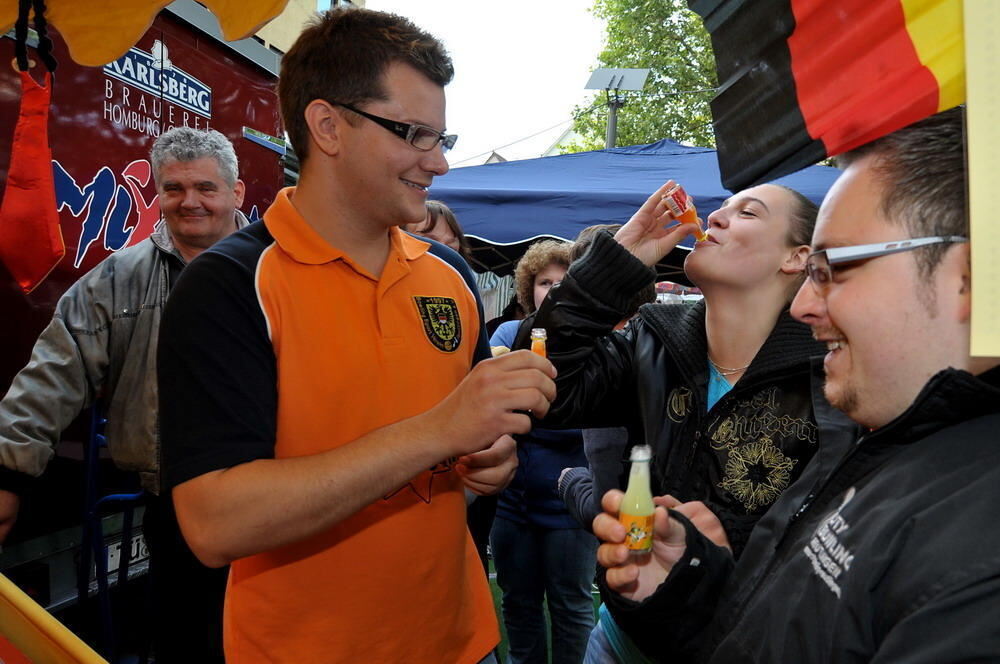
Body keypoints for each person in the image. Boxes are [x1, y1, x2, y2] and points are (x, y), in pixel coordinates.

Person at [157, 8, 555, 663]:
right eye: (414, 134)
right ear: (327, 126)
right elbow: (214, 522)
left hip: (462, 642)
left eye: (442, 137)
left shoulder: (450, 276)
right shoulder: (229, 284)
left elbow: (468, 442)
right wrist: (439, 432)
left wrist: (488, 459)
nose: (440, 162)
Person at [593, 106, 1000, 662]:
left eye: (832, 269)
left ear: (967, 278)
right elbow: (783, 630)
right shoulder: (886, 439)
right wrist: (693, 582)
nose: (803, 306)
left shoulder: (976, 556)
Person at [517, 179, 858, 663]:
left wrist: (711, 551)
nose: (714, 217)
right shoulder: (652, 337)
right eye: (721, 208)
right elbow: (546, 386)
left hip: (743, 648)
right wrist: (615, 263)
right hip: (620, 639)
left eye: (748, 213)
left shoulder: (834, 374)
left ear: (796, 257)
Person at [0, 126, 248, 661]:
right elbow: (54, 372)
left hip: (273, 499)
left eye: (206, 188)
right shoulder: (117, 279)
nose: (190, 202)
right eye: (174, 188)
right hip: (175, 504)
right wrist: (7, 471)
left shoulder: (280, 269)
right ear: (158, 193)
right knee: (188, 644)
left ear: (237, 192)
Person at [489, 239, 597, 664]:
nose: (553, 291)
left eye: (564, 282)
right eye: (544, 282)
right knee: (518, 602)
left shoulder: (598, 342)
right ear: (527, 288)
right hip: (512, 500)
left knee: (571, 606)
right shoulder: (508, 335)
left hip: (570, 503)